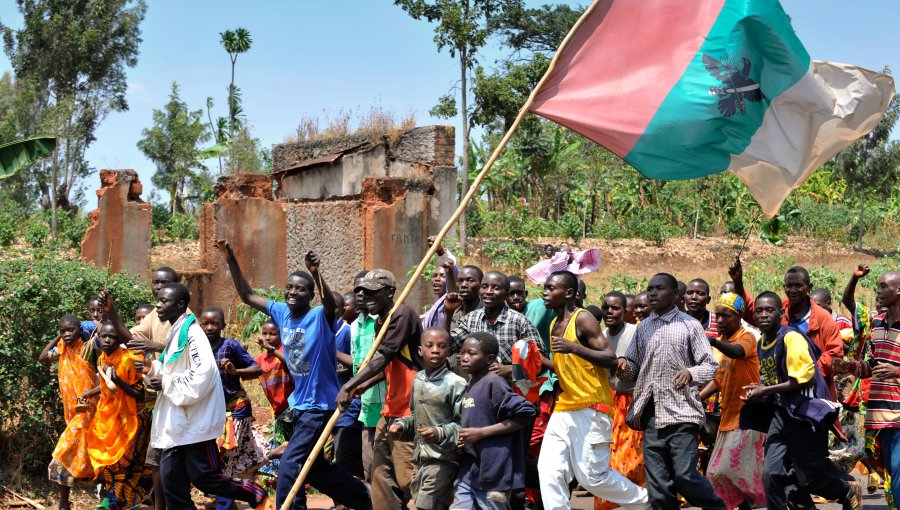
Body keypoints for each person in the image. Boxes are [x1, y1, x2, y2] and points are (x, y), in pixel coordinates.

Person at [215, 240, 369, 510]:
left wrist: (317, 273)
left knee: (289, 463)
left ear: (310, 295)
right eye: (290, 287)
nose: (293, 292)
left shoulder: (321, 318)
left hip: (319, 407)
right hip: (300, 406)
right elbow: (248, 296)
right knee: (316, 468)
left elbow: (332, 304)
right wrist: (230, 258)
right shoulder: (282, 312)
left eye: (301, 288)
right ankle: (366, 498)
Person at [104, 284, 269, 509]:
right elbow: (170, 368)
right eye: (158, 301)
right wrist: (152, 370)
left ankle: (254, 491)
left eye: (164, 301)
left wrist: (165, 381)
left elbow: (202, 375)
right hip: (176, 424)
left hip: (194, 423)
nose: (158, 305)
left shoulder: (192, 335)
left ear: (180, 305)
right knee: (172, 482)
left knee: (204, 478)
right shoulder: (176, 333)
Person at [538, 271, 650, 510]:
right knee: (548, 469)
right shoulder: (553, 324)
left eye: (550, 288)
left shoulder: (583, 319)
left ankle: (647, 502)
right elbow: (565, 367)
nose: (545, 293)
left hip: (591, 408)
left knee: (592, 478)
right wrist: (537, 361)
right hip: (565, 407)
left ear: (568, 293)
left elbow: (611, 358)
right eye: (545, 288)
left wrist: (574, 348)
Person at [742, 291, 860, 510]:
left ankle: (845, 489)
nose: (763, 314)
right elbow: (773, 379)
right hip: (782, 413)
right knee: (771, 473)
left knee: (810, 479)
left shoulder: (791, 337)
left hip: (805, 414)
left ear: (781, 313)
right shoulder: (762, 343)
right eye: (759, 311)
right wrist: (760, 389)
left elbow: (802, 380)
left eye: (770, 310)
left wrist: (766, 390)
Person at [617, 273, 724, 510]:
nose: (653, 293)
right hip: (652, 414)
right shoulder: (643, 328)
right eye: (650, 289)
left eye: (659, 289)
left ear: (675, 295)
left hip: (682, 412)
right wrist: (623, 365)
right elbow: (633, 368)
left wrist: (691, 373)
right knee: (658, 484)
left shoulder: (690, 325)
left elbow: (710, 366)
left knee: (685, 476)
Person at [337, 269, 423, 510]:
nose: (364, 296)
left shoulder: (402, 314)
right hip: (390, 407)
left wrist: (349, 384)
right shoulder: (381, 323)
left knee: (408, 478)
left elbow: (384, 357)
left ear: (390, 292)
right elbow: (386, 369)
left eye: (373, 291)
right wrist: (361, 386)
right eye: (362, 291)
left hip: (409, 409)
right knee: (379, 476)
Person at [732, 262, 844, 401]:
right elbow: (752, 311)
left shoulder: (822, 318)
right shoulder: (781, 307)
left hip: (811, 389)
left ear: (809, 288)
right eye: (789, 286)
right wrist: (738, 282)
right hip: (781, 387)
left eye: (798, 285)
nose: (793, 290)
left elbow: (834, 354)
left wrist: (808, 373)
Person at [125, 265, 187, 510]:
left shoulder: (185, 320)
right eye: (155, 283)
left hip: (179, 399)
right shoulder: (154, 316)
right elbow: (129, 338)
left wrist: (154, 345)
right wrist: (110, 316)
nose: (158, 288)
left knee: (170, 459)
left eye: (164, 283)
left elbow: (182, 355)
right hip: (158, 400)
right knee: (157, 458)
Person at [451, 332, 536, 510]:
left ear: (489, 359)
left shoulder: (494, 383)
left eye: (471, 353)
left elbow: (527, 412)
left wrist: (481, 433)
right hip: (471, 470)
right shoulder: (471, 384)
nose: (464, 358)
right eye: (462, 352)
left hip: (493, 473)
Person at [834, 270, 900, 499]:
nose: (878, 291)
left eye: (883, 287)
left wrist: (897, 371)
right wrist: (849, 367)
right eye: (878, 286)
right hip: (879, 415)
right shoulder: (877, 323)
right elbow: (871, 365)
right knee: (892, 475)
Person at [698, 294, 765, 510]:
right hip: (728, 417)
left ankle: (776, 495)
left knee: (727, 470)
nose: (719, 320)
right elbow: (719, 379)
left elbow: (738, 353)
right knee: (715, 473)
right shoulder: (725, 342)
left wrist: (715, 342)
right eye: (717, 315)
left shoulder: (746, 337)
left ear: (739, 317)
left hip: (746, 417)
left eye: (726, 316)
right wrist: (697, 398)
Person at [390, 328, 467, 510]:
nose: (435, 350)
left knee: (424, 506)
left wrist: (440, 432)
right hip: (421, 459)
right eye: (429, 346)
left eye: (441, 346)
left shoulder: (455, 383)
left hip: (444, 460)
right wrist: (401, 425)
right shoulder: (419, 379)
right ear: (420, 351)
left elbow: (464, 424)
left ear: (448, 352)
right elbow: (416, 417)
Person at [86, 321, 151, 510]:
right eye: (103, 336)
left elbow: (141, 394)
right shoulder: (101, 360)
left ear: (120, 339)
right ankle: (116, 502)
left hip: (132, 419)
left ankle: (118, 502)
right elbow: (106, 391)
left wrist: (118, 380)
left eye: (113, 337)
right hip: (109, 420)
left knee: (124, 463)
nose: (107, 340)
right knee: (106, 462)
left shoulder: (130, 359)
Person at [199, 307, 266, 484]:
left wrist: (235, 371)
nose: (210, 328)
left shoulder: (230, 345)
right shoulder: (197, 350)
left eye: (214, 323)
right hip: (212, 411)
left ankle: (225, 501)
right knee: (221, 455)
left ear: (223, 325)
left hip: (235, 406)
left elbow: (257, 368)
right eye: (205, 324)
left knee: (226, 453)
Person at [40, 315, 99, 510]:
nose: (66, 334)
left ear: (79, 329)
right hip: (72, 415)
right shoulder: (62, 349)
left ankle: (63, 503)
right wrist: (58, 338)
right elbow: (42, 358)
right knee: (84, 455)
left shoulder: (89, 348)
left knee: (62, 453)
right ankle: (65, 502)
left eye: (70, 330)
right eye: (63, 330)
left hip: (89, 412)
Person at [444, 271, 547, 381]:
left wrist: (510, 369)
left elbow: (541, 362)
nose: (488, 292)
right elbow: (447, 348)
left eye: (496, 288)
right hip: (478, 389)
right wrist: (448, 313)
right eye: (484, 287)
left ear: (506, 294)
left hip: (510, 392)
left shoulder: (519, 322)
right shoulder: (470, 319)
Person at [595, 292, 644, 510]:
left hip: (634, 398)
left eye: (615, 308)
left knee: (634, 457)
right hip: (608, 401)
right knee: (609, 454)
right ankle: (613, 502)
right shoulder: (599, 337)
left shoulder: (636, 333)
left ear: (625, 311)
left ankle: (640, 498)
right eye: (606, 307)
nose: (609, 312)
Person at [348, 270, 387, 482]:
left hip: (386, 401)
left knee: (385, 466)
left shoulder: (383, 322)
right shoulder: (355, 326)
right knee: (369, 466)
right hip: (365, 402)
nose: (361, 294)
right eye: (357, 290)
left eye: (367, 290)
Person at [254, 318, 294, 494]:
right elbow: (249, 371)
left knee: (294, 449)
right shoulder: (261, 359)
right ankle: (284, 487)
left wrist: (271, 349)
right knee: (284, 452)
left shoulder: (284, 352)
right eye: (265, 333)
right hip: (278, 410)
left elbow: (291, 364)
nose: (268, 337)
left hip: (293, 408)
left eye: (273, 333)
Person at [422, 236, 458, 329]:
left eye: (443, 276)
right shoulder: (436, 307)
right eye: (435, 276)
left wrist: (440, 251)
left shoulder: (454, 299)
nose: (437, 279)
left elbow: (451, 267)